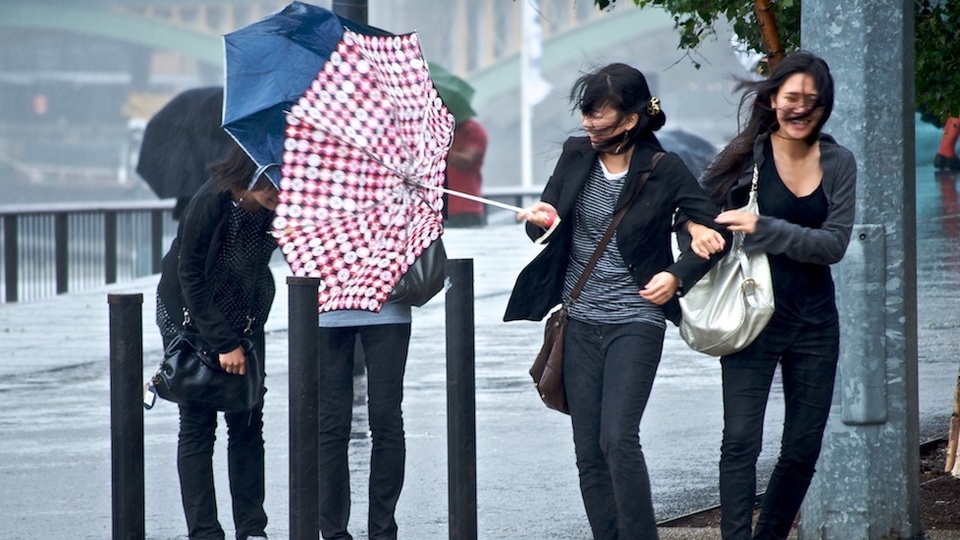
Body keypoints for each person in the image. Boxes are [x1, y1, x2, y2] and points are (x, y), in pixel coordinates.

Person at [503, 63, 726, 540]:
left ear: (629, 120)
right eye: (586, 117)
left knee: (618, 439)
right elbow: (542, 222)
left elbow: (711, 228)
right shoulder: (574, 154)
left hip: (636, 320)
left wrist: (676, 275)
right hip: (580, 318)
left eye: (600, 120)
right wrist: (539, 219)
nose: (589, 127)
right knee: (588, 448)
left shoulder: (664, 168)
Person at [687, 51, 857, 540]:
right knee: (740, 442)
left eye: (813, 101)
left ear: (825, 107)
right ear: (773, 99)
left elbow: (834, 245)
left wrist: (764, 227)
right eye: (792, 99)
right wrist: (697, 228)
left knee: (803, 448)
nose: (801, 109)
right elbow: (692, 210)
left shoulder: (838, 161)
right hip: (751, 315)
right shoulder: (745, 159)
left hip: (815, 322)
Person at [156, 144, 279, 540]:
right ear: (252, 173)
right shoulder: (211, 201)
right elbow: (189, 275)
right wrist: (223, 344)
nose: (281, 192)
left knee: (246, 418)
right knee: (197, 422)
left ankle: (252, 528)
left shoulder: (276, 210)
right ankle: (205, 531)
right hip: (192, 317)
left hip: (245, 316)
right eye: (273, 184)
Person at [317, 300, 415, 540]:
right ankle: (334, 533)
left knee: (386, 420)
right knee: (331, 425)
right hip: (325, 307)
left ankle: (383, 531)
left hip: (388, 307)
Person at [445, 117, 488, 227]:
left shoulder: (473, 130)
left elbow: (467, 160)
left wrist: (441, 148)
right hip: (438, 208)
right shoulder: (440, 129)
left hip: (465, 209)